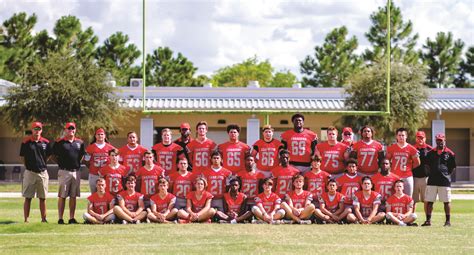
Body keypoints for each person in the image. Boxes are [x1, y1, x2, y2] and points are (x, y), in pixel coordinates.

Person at [53, 122, 86, 224]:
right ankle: (60, 218)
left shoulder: (80, 142)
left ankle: (71, 218)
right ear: (65, 130)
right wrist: (61, 164)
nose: (71, 130)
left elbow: (82, 156)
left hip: (76, 172)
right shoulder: (59, 142)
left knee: (73, 196)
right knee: (62, 196)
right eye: (69, 128)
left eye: (73, 128)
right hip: (64, 171)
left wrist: (76, 164)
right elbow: (53, 156)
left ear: (75, 130)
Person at [20, 121, 52, 223]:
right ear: (32, 130)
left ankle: (43, 219)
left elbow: (48, 156)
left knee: (42, 198)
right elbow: (23, 158)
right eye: (35, 129)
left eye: (39, 129)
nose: (37, 131)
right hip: (30, 173)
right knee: (28, 197)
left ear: (41, 130)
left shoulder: (46, 142)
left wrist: (41, 164)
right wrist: (29, 167)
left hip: (42, 173)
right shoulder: (26, 142)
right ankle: (26, 219)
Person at [422, 133, 456, 227]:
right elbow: (427, 165)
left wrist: (446, 174)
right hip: (432, 180)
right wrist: (430, 174)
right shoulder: (431, 153)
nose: (439, 142)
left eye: (441, 140)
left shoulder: (450, 153)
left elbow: (452, 167)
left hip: (444, 181)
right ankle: (428, 221)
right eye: (437, 140)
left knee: (446, 201)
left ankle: (447, 221)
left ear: (444, 140)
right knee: (429, 201)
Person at [386, 128, 420, 197]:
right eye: (399, 135)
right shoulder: (391, 148)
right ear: (396, 136)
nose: (401, 137)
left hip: (407, 176)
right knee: (393, 197)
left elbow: (417, 162)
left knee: (408, 197)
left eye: (403, 135)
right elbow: (387, 161)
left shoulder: (411, 149)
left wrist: (409, 168)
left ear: (406, 136)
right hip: (394, 176)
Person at [84, 128, 116, 193]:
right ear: (95, 136)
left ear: (105, 136)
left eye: (102, 134)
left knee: (106, 194)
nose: (100, 136)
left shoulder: (110, 148)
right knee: (94, 194)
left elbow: (115, 160)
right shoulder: (90, 147)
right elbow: (86, 161)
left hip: (106, 174)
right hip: (94, 174)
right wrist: (92, 167)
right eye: (98, 134)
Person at [412, 131, 432, 212]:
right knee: (412, 201)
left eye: (422, 138)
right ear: (416, 138)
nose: (420, 139)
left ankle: (427, 219)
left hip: (425, 178)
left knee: (427, 200)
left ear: (425, 138)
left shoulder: (430, 149)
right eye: (418, 137)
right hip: (414, 177)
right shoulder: (412, 148)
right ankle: (411, 218)